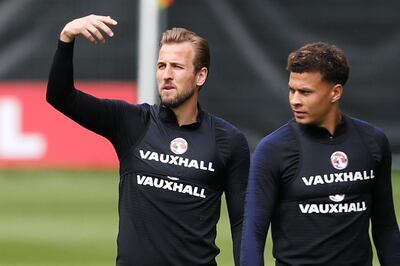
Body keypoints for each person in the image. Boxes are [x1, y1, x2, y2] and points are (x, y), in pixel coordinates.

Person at [46, 14, 249, 266]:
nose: (166, 75)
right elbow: (60, 96)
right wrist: (66, 38)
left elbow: (242, 223)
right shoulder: (131, 122)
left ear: (200, 76)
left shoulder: (228, 140)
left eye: (177, 66)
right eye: (161, 66)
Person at [241, 42, 400, 265]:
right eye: (292, 90)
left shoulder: (372, 142)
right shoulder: (273, 150)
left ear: (335, 92)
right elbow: (252, 236)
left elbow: (386, 228)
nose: (295, 100)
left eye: (305, 92)